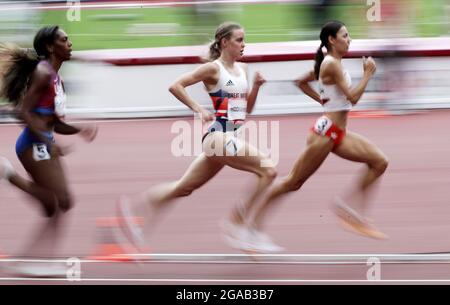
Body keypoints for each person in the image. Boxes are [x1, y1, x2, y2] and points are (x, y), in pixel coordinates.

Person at [118, 22, 282, 254]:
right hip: (217, 137)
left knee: (183, 188)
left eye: (244, 40)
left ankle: (135, 212)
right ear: (225, 42)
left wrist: (256, 87)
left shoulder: (243, 70)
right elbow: (176, 86)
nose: (244, 45)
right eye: (239, 40)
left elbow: (245, 111)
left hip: (229, 137)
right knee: (268, 170)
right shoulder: (213, 69)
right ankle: (236, 223)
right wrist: (198, 109)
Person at [250, 21, 389, 248]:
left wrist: (325, 103)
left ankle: (349, 210)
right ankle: (251, 225)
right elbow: (353, 99)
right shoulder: (331, 64)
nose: (350, 39)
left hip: (338, 133)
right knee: (292, 183)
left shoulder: (330, 63)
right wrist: (367, 75)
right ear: (332, 40)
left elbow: (301, 82)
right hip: (325, 136)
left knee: (379, 162)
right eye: (345, 35)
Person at [0, 26, 97, 276]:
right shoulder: (43, 72)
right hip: (34, 145)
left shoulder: (56, 78)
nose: (70, 43)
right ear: (50, 47)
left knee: (55, 203)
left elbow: (55, 122)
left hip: (43, 143)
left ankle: (32, 259)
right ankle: (34, 261)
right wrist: (48, 141)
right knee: (59, 202)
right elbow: (21, 111)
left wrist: (79, 129)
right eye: (65, 40)